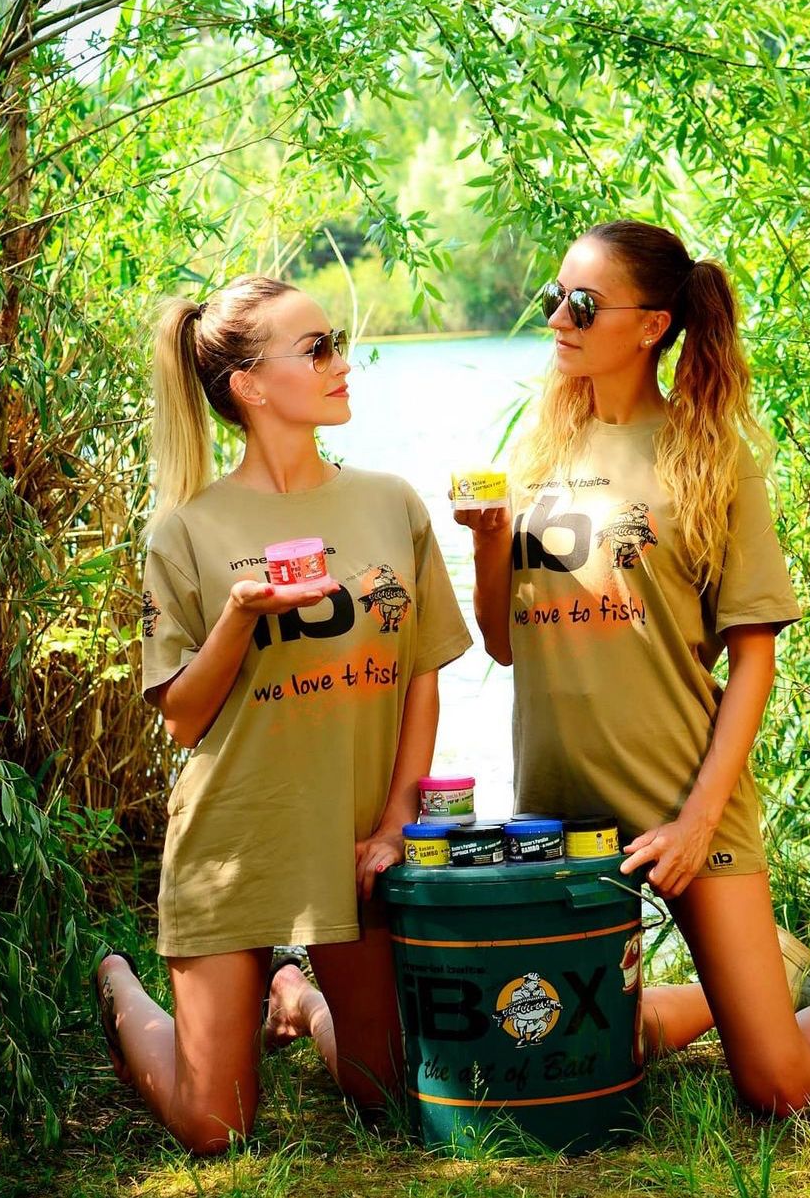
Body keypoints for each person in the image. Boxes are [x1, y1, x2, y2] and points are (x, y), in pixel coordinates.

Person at [457, 221, 810, 1114]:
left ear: (651, 325)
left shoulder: (707, 457)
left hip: (681, 797)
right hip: (557, 808)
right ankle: (762, 974)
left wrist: (694, 819)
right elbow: (506, 642)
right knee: (568, 1043)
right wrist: (487, 545)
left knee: (779, 1084)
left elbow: (753, 659)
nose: (555, 318)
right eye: (552, 298)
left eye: (581, 304)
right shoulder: (542, 452)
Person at [95, 275, 471, 1153]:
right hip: (237, 841)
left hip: (351, 846)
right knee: (214, 1126)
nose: (342, 362)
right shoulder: (186, 530)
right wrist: (238, 615)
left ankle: (294, 996)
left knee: (386, 1094)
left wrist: (396, 823)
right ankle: (117, 987)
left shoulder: (391, 501)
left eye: (337, 342)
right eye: (317, 348)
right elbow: (183, 719)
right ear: (250, 386)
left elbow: (420, 672)